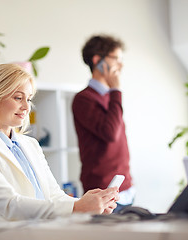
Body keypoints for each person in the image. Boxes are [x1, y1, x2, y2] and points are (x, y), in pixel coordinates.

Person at [0, 63, 119, 223]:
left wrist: (89, 206)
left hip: (42, 229)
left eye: (29, 99)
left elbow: (54, 196)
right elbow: (8, 205)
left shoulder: (30, 144)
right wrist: (77, 207)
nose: (27, 107)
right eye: (18, 97)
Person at [72, 35, 134, 212]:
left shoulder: (110, 97)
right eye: (116, 59)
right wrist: (116, 90)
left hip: (126, 189)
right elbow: (110, 133)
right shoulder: (84, 99)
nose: (121, 65)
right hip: (103, 193)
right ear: (97, 60)